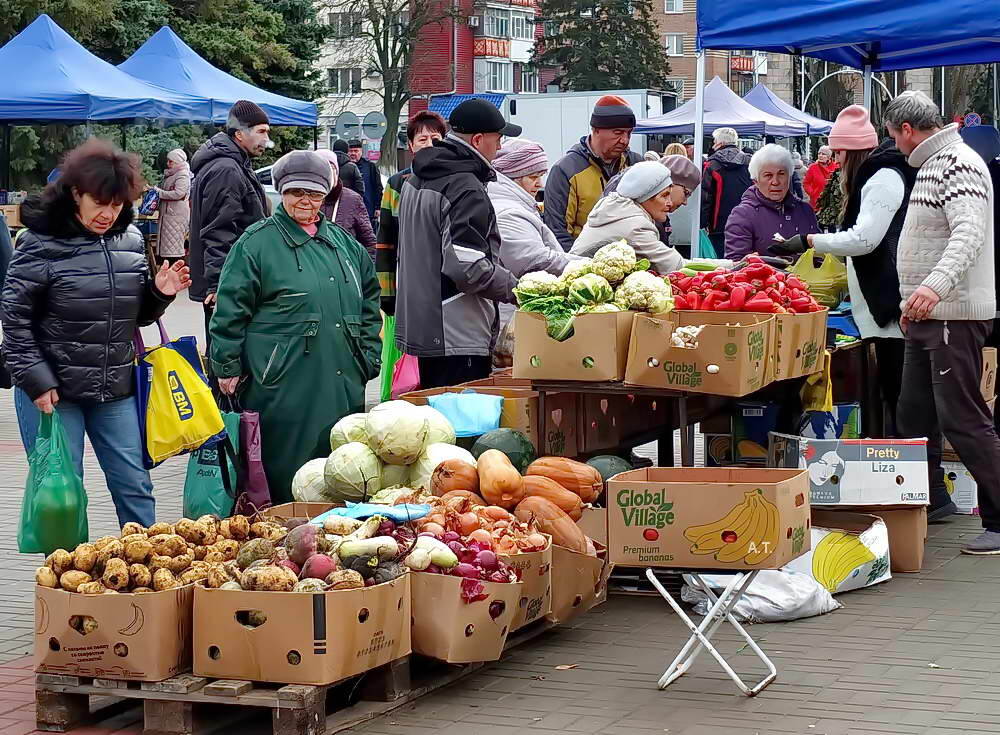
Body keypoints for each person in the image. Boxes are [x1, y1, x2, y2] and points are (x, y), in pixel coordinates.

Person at [1, 138, 192, 527]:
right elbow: (15, 321)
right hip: (53, 391)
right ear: (76, 194)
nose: (108, 213)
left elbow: (135, 317)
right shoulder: (39, 242)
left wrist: (160, 293)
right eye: (99, 203)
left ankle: (147, 568)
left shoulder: (131, 240)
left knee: (135, 485)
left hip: (114, 388)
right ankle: (63, 583)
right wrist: (37, 381)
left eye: (117, 204)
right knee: (61, 495)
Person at [210, 150, 381, 503]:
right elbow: (229, 309)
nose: (306, 201)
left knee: (339, 462)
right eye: (296, 192)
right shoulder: (256, 243)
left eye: (315, 193)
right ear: (282, 193)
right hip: (281, 380)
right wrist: (226, 365)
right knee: (284, 468)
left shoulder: (344, 244)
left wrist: (368, 358)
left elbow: (369, 302)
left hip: (343, 376)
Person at [883, 91, 1000, 549]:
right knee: (912, 415)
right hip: (928, 315)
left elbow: (968, 232)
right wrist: (914, 300)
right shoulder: (936, 163)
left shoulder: (957, 164)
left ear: (908, 130)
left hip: (951, 314)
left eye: (894, 136)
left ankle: (998, 519)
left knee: (963, 419)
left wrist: (932, 288)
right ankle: (930, 501)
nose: (896, 145)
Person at [771, 105, 915, 436]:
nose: (835, 159)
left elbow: (864, 239)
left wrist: (809, 241)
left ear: (851, 151)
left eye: (839, 151)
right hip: (885, 308)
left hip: (892, 305)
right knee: (892, 397)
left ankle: (912, 475)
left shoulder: (882, 177)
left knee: (899, 399)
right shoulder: (879, 174)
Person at [396, 98, 521, 388]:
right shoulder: (465, 186)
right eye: (498, 139)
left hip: (425, 324)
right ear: (478, 140)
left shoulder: (418, 176)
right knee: (462, 427)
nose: (500, 147)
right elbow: (468, 267)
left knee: (436, 427)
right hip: (456, 331)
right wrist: (519, 289)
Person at [489, 138, 581, 366]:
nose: (539, 183)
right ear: (512, 176)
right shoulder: (507, 211)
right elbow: (532, 260)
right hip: (511, 318)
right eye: (532, 176)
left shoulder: (515, 204)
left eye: (540, 175)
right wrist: (586, 266)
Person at [189, 100, 270, 339]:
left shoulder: (234, 164)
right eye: (261, 132)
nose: (266, 139)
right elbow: (218, 231)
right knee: (228, 360)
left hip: (237, 281)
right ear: (239, 134)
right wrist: (218, 286)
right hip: (230, 286)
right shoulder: (226, 169)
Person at [571, 161, 730, 273]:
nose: (669, 203)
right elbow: (676, 266)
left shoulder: (616, 208)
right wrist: (731, 266)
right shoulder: (635, 226)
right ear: (645, 196)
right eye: (664, 196)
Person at [544, 95, 643, 250]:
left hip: (634, 259)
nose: (625, 140)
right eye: (618, 132)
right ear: (596, 130)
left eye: (629, 133)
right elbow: (557, 231)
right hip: (583, 261)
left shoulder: (637, 165)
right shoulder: (565, 170)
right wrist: (579, 266)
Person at [376, 111, 447, 316]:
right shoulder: (397, 184)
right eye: (422, 139)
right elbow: (385, 241)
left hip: (448, 286)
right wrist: (386, 294)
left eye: (435, 139)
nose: (429, 144)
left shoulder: (456, 180)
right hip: (410, 283)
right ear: (411, 145)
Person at [724, 144, 819, 261]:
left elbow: (818, 254)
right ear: (756, 181)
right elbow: (736, 262)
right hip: (764, 278)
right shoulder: (742, 215)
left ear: (789, 177)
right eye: (768, 175)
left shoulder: (805, 210)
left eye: (781, 174)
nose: (775, 181)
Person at [315, 149, 376, 260]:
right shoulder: (304, 200)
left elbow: (369, 243)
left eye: (331, 168)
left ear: (337, 172)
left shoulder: (352, 200)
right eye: (320, 168)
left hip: (346, 271)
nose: (327, 173)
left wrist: (363, 272)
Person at [701, 127, 753, 256]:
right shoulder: (751, 162)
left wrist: (702, 222)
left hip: (718, 223)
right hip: (747, 220)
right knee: (744, 260)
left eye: (714, 141)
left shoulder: (712, 164)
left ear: (719, 143)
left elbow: (706, 196)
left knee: (720, 261)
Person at [153, 148, 191, 265]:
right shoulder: (171, 175)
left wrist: (159, 192)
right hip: (168, 216)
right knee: (168, 248)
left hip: (175, 216)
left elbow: (179, 193)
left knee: (174, 250)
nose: (168, 163)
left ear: (178, 162)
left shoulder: (182, 175)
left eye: (171, 161)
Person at [348, 138, 383, 229]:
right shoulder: (344, 167)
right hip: (349, 209)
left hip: (368, 209)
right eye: (351, 151)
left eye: (356, 151)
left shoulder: (370, 167)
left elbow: (378, 187)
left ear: (361, 151)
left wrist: (378, 207)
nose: (353, 154)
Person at [803, 145, 839, 212]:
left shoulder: (835, 167)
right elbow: (806, 183)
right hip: (816, 202)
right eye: (819, 153)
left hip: (831, 202)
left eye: (823, 154)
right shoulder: (813, 167)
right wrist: (812, 193)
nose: (820, 156)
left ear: (829, 156)